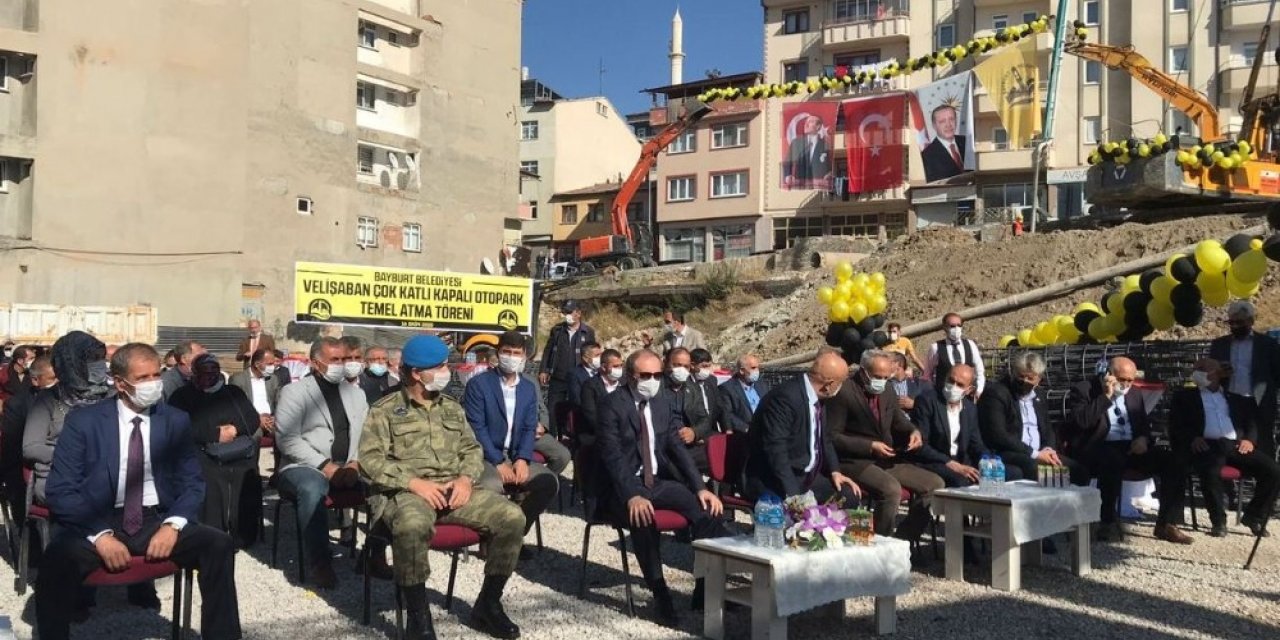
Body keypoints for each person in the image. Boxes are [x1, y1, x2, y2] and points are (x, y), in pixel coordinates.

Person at [35, 343, 242, 640]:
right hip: (99, 520)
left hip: (155, 519)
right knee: (56, 559)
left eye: (157, 375)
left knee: (218, 544)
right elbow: (61, 489)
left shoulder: (174, 420)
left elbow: (192, 482)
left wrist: (173, 525)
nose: (153, 384)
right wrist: (101, 536)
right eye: (143, 378)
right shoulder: (84, 422)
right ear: (120, 383)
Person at [360, 335, 526, 640]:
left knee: (512, 517)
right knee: (411, 524)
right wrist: (413, 483)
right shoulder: (384, 410)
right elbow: (369, 461)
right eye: (438, 366)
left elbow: (472, 450)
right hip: (408, 493)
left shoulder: (451, 407)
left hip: (454, 489)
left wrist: (465, 479)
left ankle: (488, 604)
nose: (445, 371)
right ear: (415, 373)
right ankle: (418, 615)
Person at [597, 349, 728, 624]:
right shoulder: (612, 405)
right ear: (631, 376)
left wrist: (699, 487)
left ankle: (705, 589)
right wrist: (632, 494)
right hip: (624, 487)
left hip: (656, 482)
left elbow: (675, 447)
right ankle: (660, 594)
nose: (653, 380)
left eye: (658, 375)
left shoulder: (660, 402)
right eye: (646, 375)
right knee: (643, 518)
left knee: (709, 511)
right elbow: (612, 456)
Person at [274, 337, 375, 588]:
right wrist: (327, 467)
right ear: (315, 363)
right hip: (305, 466)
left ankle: (374, 555)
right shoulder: (294, 392)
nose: (341, 365)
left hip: (349, 464)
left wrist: (354, 464)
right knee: (311, 488)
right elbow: (287, 440)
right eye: (334, 360)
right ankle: (320, 561)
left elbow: (367, 436)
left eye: (343, 359)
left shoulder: (356, 394)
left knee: (386, 482)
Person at [1066, 357, 1191, 543]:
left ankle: (1167, 523)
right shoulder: (1085, 389)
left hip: (1130, 447)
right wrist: (1105, 397)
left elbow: (1143, 427)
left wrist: (1143, 439)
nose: (1125, 384)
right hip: (1096, 446)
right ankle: (1106, 522)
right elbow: (1082, 422)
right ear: (1108, 374)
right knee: (1112, 460)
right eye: (1121, 379)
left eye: (1130, 380)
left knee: (1174, 461)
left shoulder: (1134, 394)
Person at [827, 349, 943, 539]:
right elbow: (833, 436)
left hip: (886, 458)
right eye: (877, 376)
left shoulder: (887, 389)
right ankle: (881, 541)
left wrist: (913, 432)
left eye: (885, 377)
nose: (881, 380)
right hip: (855, 461)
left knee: (934, 484)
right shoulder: (844, 391)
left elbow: (898, 420)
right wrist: (869, 446)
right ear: (863, 372)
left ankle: (905, 538)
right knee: (891, 490)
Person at [462, 331, 559, 555]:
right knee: (491, 485)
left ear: (524, 355)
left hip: (516, 453)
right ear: (498, 353)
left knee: (548, 482)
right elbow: (477, 428)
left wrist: (523, 459)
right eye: (507, 352)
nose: (512, 357)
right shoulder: (479, 384)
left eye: (517, 353)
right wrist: (498, 462)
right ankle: (489, 538)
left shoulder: (526, 388)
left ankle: (511, 536)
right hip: (487, 455)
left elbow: (528, 426)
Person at [1170, 359, 1280, 538]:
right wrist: (1192, 438)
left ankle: (1254, 516)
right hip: (1207, 444)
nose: (1197, 372)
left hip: (1234, 445)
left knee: (1273, 471)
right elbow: (1176, 424)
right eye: (1195, 369)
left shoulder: (1234, 398)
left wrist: (1249, 440)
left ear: (1217, 373)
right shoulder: (1185, 397)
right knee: (1211, 470)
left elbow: (1251, 422)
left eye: (1202, 369)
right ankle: (1218, 521)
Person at [743, 350, 863, 505]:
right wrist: (793, 495)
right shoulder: (785, 399)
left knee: (849, 497)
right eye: (840, 383)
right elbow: (775, 449)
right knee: (800, 516)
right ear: (829, 384)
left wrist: (835, 471)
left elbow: (824, 438)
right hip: (776, 478)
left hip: (807, 476)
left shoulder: (819, 397)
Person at [168, 354, 263, 547]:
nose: (210, 377)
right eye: (204, 373)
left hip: (237, 449)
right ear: (194, 374)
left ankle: (243, 533)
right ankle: (213, 532)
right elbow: (176, 426)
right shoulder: (182, 396)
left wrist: (235, 429)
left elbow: (252, 419)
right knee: (208, 475)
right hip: (203, 451)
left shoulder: (233, 392)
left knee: (247, 474)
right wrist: (214, 433)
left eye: (214, 372)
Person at [24, 332, 114, 505]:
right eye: (91, 359)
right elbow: (31, 447)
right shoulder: (47, 400)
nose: (99, 365)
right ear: (71, 363)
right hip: (60, 477)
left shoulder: (111, 396)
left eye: (100, 359)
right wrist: (75, 455)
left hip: (106, 476)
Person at [978, 351, 1085, 485]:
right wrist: (1035, 454)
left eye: (1030, 378)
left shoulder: (1039, 395)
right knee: (1043, 473)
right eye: (1021, 376)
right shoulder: (997, 393)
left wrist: (1048, 449)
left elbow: (1047, 428)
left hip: (1040, 451)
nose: (1024, 382)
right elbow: (999, 435)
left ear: (1039, 379)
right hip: (1011, 452)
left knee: (1078, 471)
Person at [1209, 301, 1280, 459]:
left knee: (1263, 454)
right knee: (1231, 452)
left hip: (1259, 405)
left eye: (1239, 322)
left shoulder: (1267, 344)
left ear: (1251, 321)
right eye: (1231, 322)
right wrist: (1219, 374)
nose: (1234, 326)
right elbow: (1209, 374)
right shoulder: (1219, 345)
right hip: (1230, 403)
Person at [908, 364, 987, 487]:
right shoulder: (927, 401)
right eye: (951, 380)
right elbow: (921, 445)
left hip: (960, 459)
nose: (953, 387)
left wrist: (989, 461)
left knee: (1005, 473)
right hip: (935, 460)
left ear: (969, 390)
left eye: (960, 385)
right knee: (961, 481)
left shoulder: (970, 408)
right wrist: (949, 462)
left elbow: (975, 443)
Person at [0, 355, 55, 517]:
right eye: (52, 378)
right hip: (27, 478)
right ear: (36, 380)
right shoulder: (19, 405)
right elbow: (11, 447)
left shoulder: (66, 401)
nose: (57, 382)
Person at [538, 300, 596, 438]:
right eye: (565, 312)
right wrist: (543, 369)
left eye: (569, 312)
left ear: (578, 313)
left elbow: (592, 351)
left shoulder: (587, 332)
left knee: (577, 407)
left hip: (578, 378)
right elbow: (548, 350)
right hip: (558, 377)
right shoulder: (557, 330)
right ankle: (552, 437)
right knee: (553, 408)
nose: (566, 315)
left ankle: (575, 437)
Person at [663, 348, 715, 473]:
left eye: (686, 366)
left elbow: (705, 419)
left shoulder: (692, 389)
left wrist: (694, 432)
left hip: (690, 445)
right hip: (666, 447)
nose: (681, 370)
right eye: (677, 365)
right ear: (666, 363)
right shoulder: (657, 388)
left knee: (721, 457)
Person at [925, 313, 986, 398]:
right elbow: (927, 374)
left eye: (959, 325)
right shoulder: (936, 348)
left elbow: (979, 370)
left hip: (966, 397)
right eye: (952, 326)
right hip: (942, 397)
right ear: (945, 328)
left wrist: (978, 390)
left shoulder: (970, 345)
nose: (956, 328)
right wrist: (932, 393)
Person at [576, 348, 624, 449]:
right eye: (615, 366)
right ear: (603, 367)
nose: (619, 369)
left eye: (621, 365)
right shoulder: (590, 386)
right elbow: (591, 415)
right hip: (596, 435)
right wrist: (611, 432)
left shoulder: (624, 384)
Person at [229, 348, 282, 436]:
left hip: (270, 419)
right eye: (270, 364)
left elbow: (280, 400)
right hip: (250, 420)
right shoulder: (238, 379)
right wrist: (257, 418)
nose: (273, 366)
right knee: (256, 434)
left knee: (285, 432)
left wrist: (275, 417)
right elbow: (237, 406)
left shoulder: (273, 379)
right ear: (257, 364)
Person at [720, 353, 770, 433]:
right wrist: (747, 429)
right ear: (742, 371)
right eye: (753, 368)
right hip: (745, 432)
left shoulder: (761, 384)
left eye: (758, 368)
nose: (757, 371)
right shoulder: (727, 388)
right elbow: (727, 414)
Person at [921, 104, 968, 182]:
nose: (948, 125)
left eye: (951, 119)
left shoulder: (967, 142)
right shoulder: (926, 157)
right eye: (942, 121)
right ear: (934, 126)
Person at [784, 114, 830, 189]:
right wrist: (787, 176)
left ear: (818, 126)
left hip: (818, 186)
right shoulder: (797, 143)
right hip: (800, 186)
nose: (806, 124)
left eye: (811, 121)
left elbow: (828, 165)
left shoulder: (825, 145)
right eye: (806, 122)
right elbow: (787, 162)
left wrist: (828, 174)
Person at [644, 310, 708, 354]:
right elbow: (658, 353)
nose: (665, 325)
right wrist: (649, 344)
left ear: (677, 321)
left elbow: (704, 355)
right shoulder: (668, 336)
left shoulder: (695, 335)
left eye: (668, 322)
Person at [690, 348, 723, 434]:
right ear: (692, 365)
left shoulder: (712, 380)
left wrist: (728, 428)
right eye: (704, 366)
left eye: (709, 366)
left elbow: (720, 406)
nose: (707, 370)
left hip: (712, 430)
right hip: (694, 430)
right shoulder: (686, 384)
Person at [566, 341, 603, 413]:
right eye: (597, 355)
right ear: (585, 358)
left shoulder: (603, 371)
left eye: (601, 355)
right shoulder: (574, 374)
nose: (600, 358)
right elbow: (576, 400)